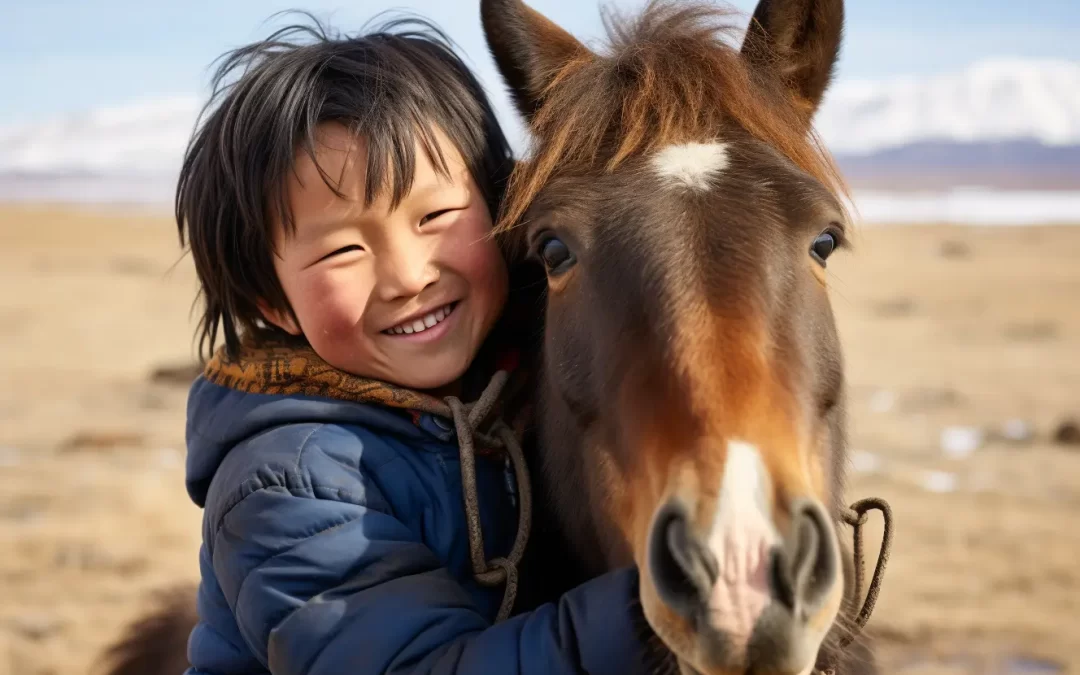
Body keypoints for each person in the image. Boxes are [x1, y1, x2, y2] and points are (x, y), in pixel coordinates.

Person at [175, 14, 653, 675]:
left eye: (436, 216)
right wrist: (658, 604)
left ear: (500, 205)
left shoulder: (524, 375)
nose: (409, 276)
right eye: (344, 248)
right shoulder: (289, 480)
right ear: (273, 302)